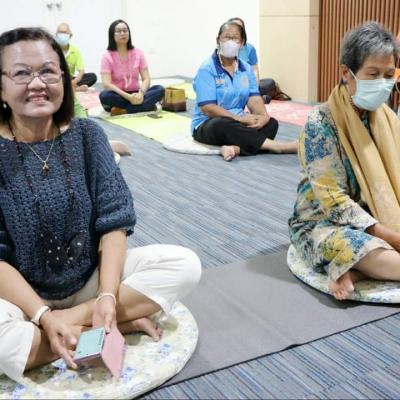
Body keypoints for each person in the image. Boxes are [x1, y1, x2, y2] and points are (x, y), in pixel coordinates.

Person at [0, 27, 201, 382]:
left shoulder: (88, 135)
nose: (38, 83)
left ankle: (73, 325)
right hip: (22, 297)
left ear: (64, 79)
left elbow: (114, 222)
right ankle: (110, 324)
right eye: (21, 73)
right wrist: (42, 314)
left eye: (48, 71)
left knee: (184, 265)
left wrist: (107, 294)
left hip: (90, 280)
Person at [288, 22, 400, 301]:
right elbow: (334, 202)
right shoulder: (320, 123)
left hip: (375, 215)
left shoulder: (387, 118)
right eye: (372, 74)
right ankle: (357, 263)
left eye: (389, 75)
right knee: (367, 249)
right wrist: (391, 236)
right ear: (346, 74)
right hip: (323, 222)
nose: (383, 83)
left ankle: (354, 271)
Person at [191, 21, 298, 161]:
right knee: (223, 124)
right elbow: (208, 108)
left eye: (235, 38)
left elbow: (254, 98)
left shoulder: (246, 68)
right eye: (226, 37)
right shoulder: (207, 68)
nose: (230, 41)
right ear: (218, 40)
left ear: (241, 43)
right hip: (209, 123)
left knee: (271, 123)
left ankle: (236, 148)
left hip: (239, 123)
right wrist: (239, 119)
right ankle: (278, 147)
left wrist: (263, 116)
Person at [99, 19, 164, 116]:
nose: (123, 33)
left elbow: (146, 78)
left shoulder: (138, 53)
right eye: (119, 31)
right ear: (112, 34)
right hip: (119, 95)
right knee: (104, 96)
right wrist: (128, 97)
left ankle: (124, 110)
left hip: (137, 93)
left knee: (160, 89)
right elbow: (106, 84)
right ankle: (145, 107)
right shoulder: (107, 57)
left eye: (125, 30)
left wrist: (141, 94)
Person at [55, 23, 97, 92]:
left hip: (70, 78)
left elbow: (81, 71)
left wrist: (73, 82)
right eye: (60, 32)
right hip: (58, 78)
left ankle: (69, 88)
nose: (62, 35)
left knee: (92, 76)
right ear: (56, 35)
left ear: (70, 35)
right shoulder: (53, 50)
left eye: (65, 33)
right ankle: (76, 89)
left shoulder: (75, 51)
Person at [227, 17, 260, 84]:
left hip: (246, 85)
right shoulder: (223, 48)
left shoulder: (250, 48)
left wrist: (255, 87)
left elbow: (255, 70)